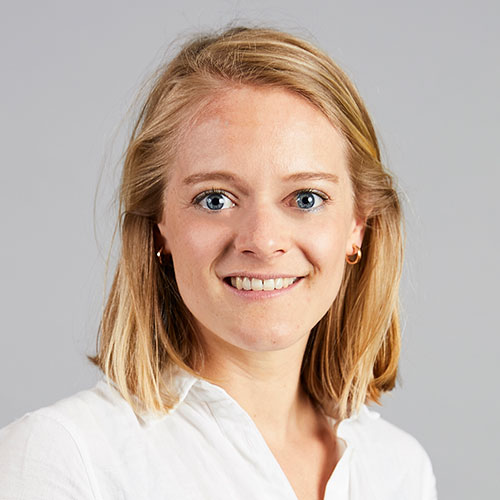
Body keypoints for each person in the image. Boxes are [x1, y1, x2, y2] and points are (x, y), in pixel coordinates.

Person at [0, 26, 437, 499]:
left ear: (357, 226)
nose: (263, 241)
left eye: (306, 198)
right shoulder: (64, 459)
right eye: (215, 199)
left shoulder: (399, 469)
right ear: (160, 227)